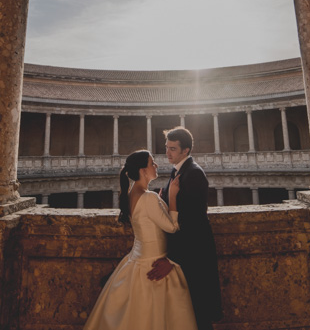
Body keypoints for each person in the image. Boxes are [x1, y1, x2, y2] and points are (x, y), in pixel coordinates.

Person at [84, 150, 198, 330]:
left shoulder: (132, 193)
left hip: (136, 261)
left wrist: (160, 202)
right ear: (143, 171)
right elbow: (172, 227)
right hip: (153, 264)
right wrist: (173, 196)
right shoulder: (148, 197)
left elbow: (147, 217)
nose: (156, 165)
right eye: (152, 163)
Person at [154, 127, 223, 330]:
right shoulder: (178, 170)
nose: (168, 152)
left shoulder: (193, 174)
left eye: (173, 149)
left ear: (186, 150)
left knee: (199, 314)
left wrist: (172, 259)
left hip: (193, 257)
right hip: (187, 255)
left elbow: (194, 223)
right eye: (167, 147)